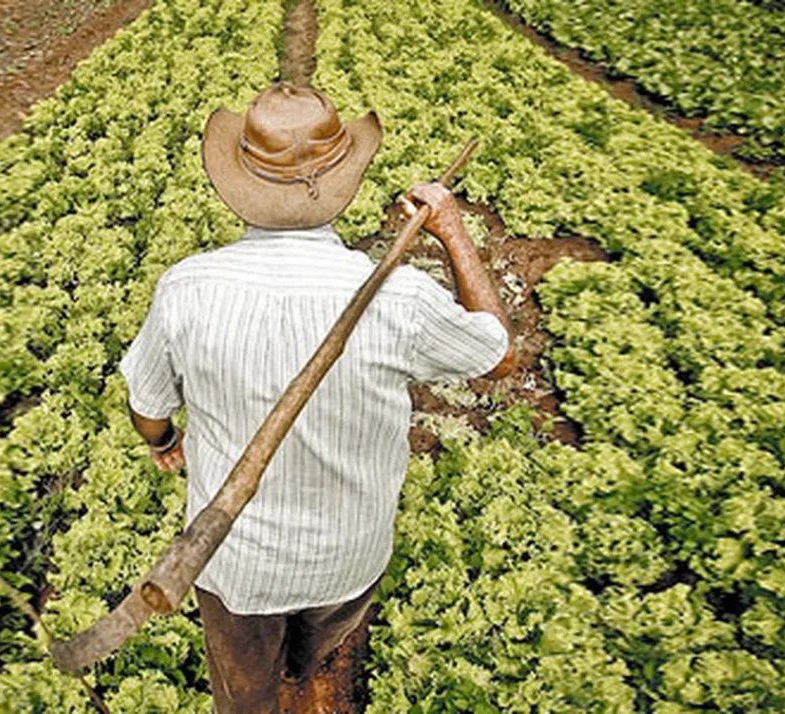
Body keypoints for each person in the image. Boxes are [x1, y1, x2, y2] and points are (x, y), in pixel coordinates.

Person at [119, 82, 516, 714]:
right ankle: (304, 674)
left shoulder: (185, 289)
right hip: (348, 559)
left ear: (238, 181)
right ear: (345, 180)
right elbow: (499, 356)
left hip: (235, 568)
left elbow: (148, 404)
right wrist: (452, 231)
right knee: (318, 644)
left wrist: (164, 442)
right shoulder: (399, 297)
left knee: (243, 689)